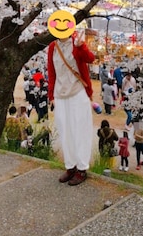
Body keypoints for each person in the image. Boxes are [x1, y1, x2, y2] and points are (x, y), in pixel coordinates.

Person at [47, 30, 95, 186]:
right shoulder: (53, 46)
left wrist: (82, 47)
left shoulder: (77, 43)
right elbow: (51, 71)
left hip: (78, 92)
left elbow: (90, 59)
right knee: (65, 131)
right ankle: (70, 167)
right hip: (60, 94)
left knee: (80, 130)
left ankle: (82, 168)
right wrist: (51, 95)